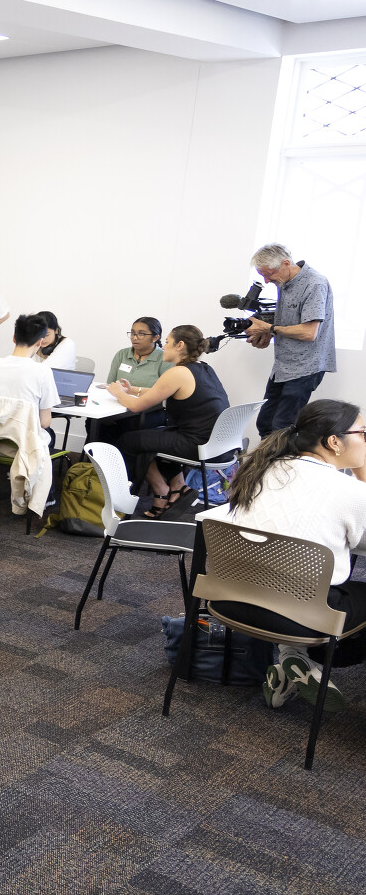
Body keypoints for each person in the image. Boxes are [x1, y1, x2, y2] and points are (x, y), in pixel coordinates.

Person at [200, 400, 366, 710]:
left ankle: (292, 660)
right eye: (363, 433)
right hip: (302, 618)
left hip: (230, 601)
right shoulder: (350, 491)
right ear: (334, 441)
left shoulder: (261, 468)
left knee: (295, 579)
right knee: (333, 591)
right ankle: (305, 658)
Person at [110, 325, 229, 517]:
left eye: (167, 342)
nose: (163, 346)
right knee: (151, 436)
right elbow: (160, 391)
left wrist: (117, 393)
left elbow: (136, 407)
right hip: (216, 444)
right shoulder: (203, 369)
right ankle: (178, 487)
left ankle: (160, 490)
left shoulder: (178, 372)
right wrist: (131, 390)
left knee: (128, 440)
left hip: (196, 444)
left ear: (180, 345)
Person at [245, 243, 337, 438]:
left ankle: (282, 458)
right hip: (283, 366)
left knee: (283, 427)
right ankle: (268, 457)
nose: (266, 280)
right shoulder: (284, 282)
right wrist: (266, 334)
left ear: (286, 263)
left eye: (269, 274)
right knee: (265, 423)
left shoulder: (314, 284)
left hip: (305, 366)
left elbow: (309, 332)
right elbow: (290, 321)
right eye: (262, 275)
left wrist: (269, 328)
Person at [87, 317, 171, 447]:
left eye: (141, 334)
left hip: (149, 411)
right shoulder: (122, 354)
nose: (134, 338)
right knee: (93, 421)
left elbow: (163, 394)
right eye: (132, 333)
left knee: (127, 425)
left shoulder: (164, 358)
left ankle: (119, 458)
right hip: (117, 406)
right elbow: (111, 385)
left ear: (155, 337)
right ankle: (99, 458)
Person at [0, 314, 60, 446]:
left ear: (14, 338)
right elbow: (44, 422)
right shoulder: (43, 371)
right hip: (25, 444)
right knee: (50, 434)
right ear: (39, 342)